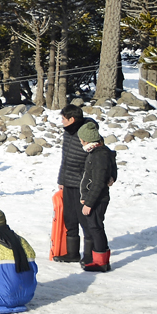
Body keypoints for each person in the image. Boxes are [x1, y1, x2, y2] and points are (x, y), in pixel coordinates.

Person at [77, 121, 116, 272]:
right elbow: (110, 170)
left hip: (98, 199)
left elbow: (98, 182)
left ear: (87, 140)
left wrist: (89, 203)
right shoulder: (99, 152)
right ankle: (100, 260)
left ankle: (101, 263)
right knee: (95, 227)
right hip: (94, 198)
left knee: (96, 227)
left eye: (81, 139)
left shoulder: (100, 155)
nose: (80, 142)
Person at [52, 104, 90, 262]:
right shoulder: (67, 133)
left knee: (85, 220)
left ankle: (89, 255)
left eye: (63, 119)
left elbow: (91, 159)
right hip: (68, 181)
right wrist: (61, 180)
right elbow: (65, 158)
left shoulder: (87, 132)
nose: (61, 121)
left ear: (72, 119)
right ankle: (72, 253)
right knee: (69, 218)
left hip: (82, 184)